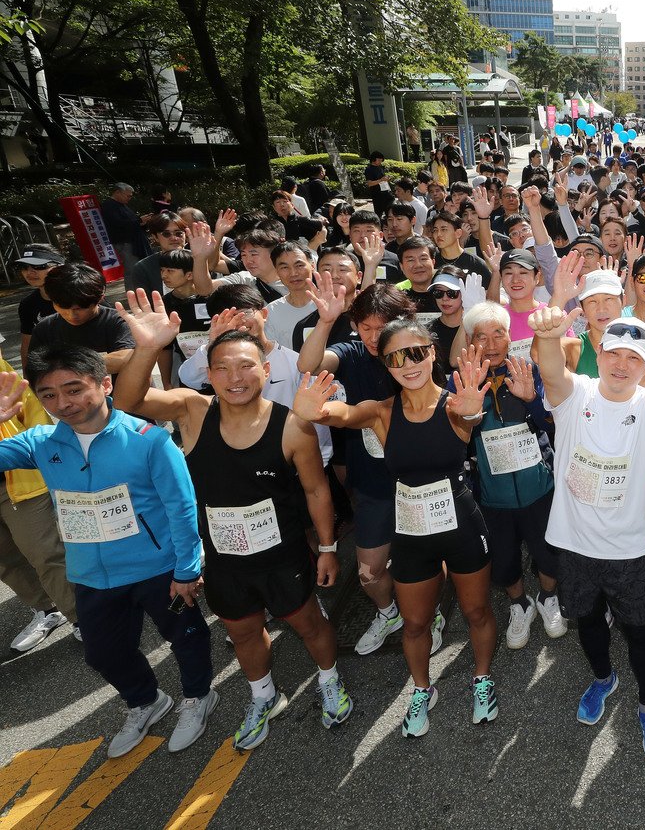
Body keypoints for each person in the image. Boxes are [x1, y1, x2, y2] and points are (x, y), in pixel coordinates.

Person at [113, 292, 351, 750]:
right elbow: (128, 402)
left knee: (307, 624)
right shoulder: (193, 410)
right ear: (207, 372)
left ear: (266, 368)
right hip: (222, 555)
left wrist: (326, 547)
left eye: (246, 366)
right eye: (222, 367)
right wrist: (146, 349)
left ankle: (328, 679)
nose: (234, 378)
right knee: (242, 630)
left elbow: (316, 489)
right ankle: (263, 696)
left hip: (282, 553)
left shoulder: (292, 425)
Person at [0, 346, 216, 759]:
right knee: (102, 652)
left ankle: (198, 696)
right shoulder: (40, 442)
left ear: (104, 384)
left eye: (74, 389)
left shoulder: (148, 440)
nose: (63, 403)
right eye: (48, 395)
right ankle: (146, 701)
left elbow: (181, 505)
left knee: (185, 636)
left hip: (158, 568)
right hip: (91, 575)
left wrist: (187, 569)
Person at [295, 320, 501, 737]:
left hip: (460, 522)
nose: (408, 364)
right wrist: (309, 408)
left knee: (477, 610)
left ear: (432, 353)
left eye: (416, 352)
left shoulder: (453, 402)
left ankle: (482, 678)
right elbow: (338, 413)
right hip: (410, 531)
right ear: (385, 364)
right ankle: (422, 688)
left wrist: (472, 411)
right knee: (414, 623)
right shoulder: (381, 412)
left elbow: (468, 422)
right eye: (395, 357)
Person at [531, 306, 645, 759]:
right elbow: (551, 373)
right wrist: (551, 338)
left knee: (640, 634)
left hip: (629, 552)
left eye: (634, 358)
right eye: (614, 352)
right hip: (575, 546)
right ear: (599, 349)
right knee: (588, 623)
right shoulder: (576, 394)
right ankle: (602, 679)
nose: (621, 364)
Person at [298, 283, 435, 656]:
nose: (374, 337)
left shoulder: (417, 353)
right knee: (369, 572)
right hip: (372, 481)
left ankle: (426, 614)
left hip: (420, 479)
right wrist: (326, 322)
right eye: (366, 327)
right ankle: (389, 612)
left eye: (383, 326)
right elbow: (308, 365)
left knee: (423, 560)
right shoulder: (352, 353)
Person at [457, 303, 565, 648]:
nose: (491, 343)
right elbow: (454, 436)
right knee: (503, 560)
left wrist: (532, 399)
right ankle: (520, 604)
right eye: (481, 336)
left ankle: (549, 597)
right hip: (492, 494)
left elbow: (556, 420)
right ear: (469, 341)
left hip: (539, 486)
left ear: (509, 336)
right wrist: (469, 414)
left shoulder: (529, 369)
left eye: (498, 333)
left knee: (548, 551)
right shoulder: (458, 379)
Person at [0, 356, 77, 651]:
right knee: (5, 560)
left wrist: (44, 455)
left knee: (46, 552)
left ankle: (82, 618)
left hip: (16, 475)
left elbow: (30, 410)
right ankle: (46, 610)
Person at [28, 262, 136, 375]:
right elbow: (35, 369)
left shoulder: (118, 321)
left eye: (79, 309)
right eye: (63, 307)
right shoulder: (45, 329)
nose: (72, 315)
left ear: (100, 298)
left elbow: (126, 358)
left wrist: (64, 368)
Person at [16, 244, 63, 362]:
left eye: (38, 266)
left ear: (59, 267)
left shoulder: (83, 294)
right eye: (24, 267)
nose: (29, 272)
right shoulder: (27, 305)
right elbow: (28, 347)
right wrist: (28, 379)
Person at [100, 183, 152, 280]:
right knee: (132, 270)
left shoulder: (123, 205)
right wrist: (139, 221)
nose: (129, 198)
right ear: (118, 192)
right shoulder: (109, 205)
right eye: (128, 195)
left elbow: (132, 221)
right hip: (124, 242)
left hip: (134, 240)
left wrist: (142, 222)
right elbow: (118, 223)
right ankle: (132, 292)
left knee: (139, 268)